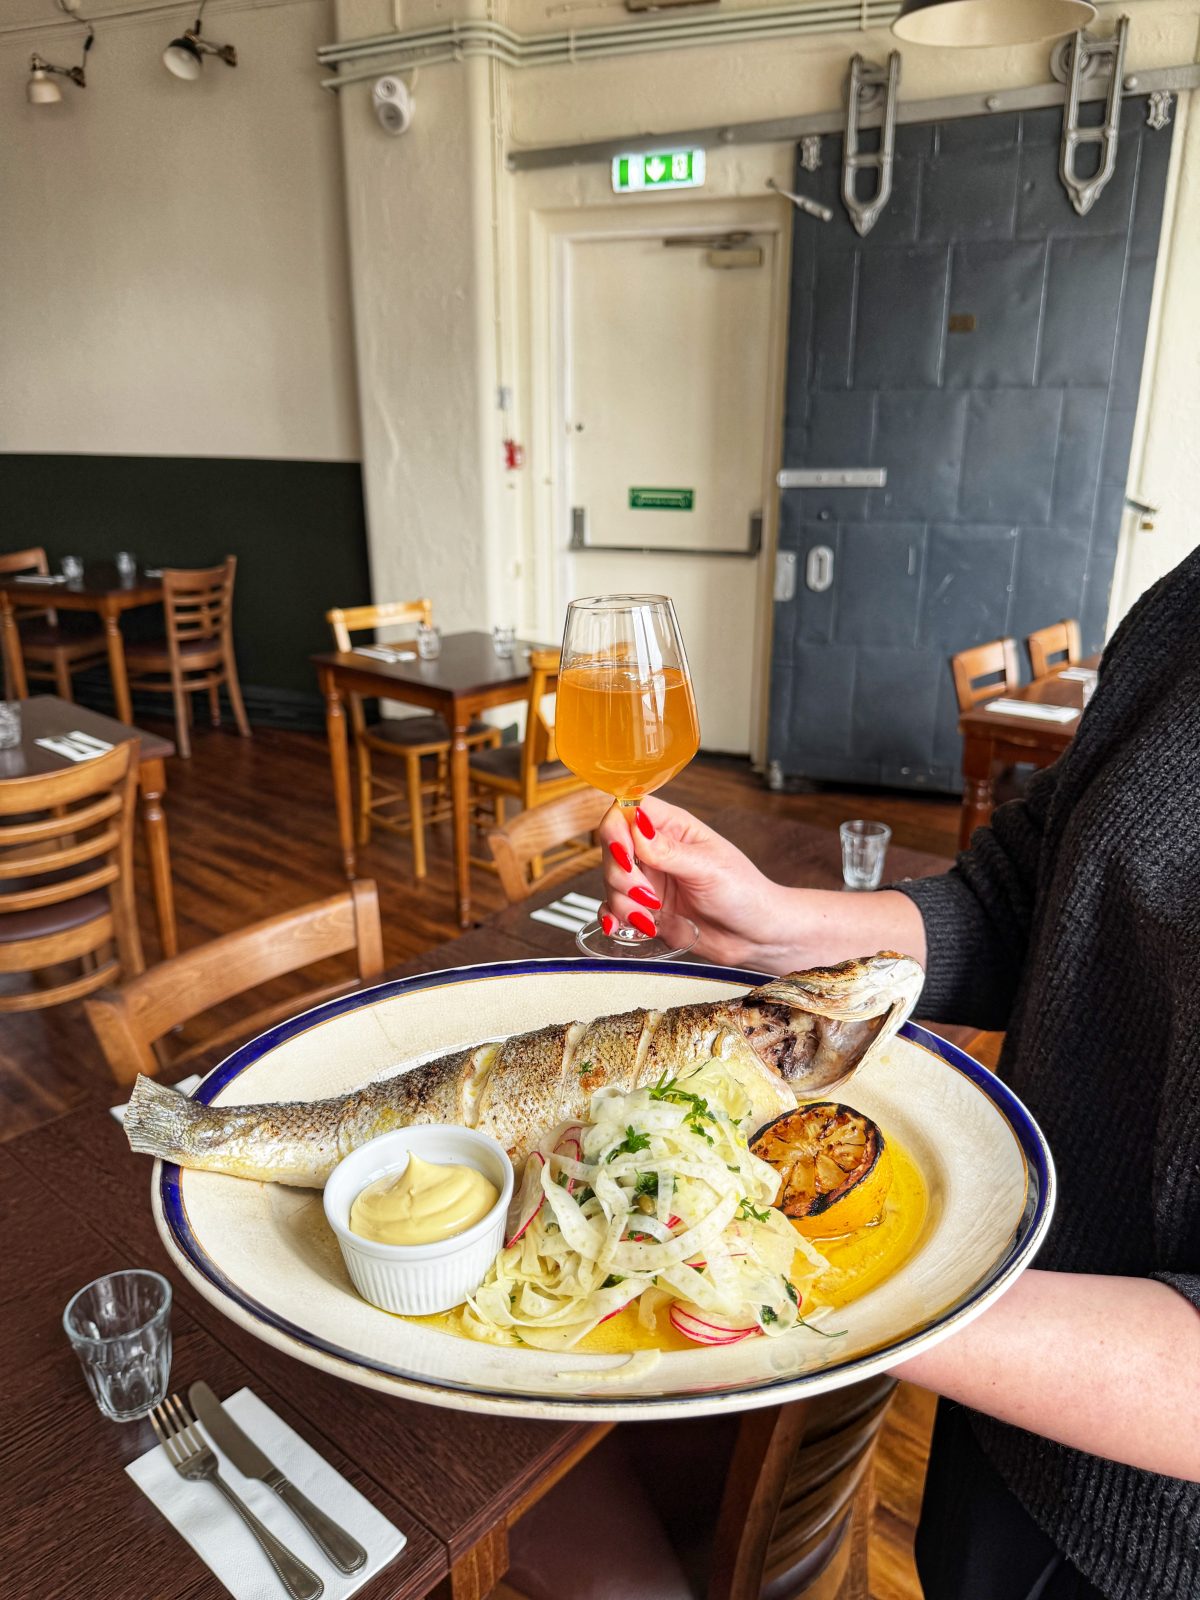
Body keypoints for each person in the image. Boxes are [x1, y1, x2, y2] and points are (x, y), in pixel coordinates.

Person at [596, 550, 1200, 1600]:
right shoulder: (1187, 602)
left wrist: (789, 1287)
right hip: (1002, 1391)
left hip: (1149, 1538)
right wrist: (778, 927)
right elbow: (1035, 897)